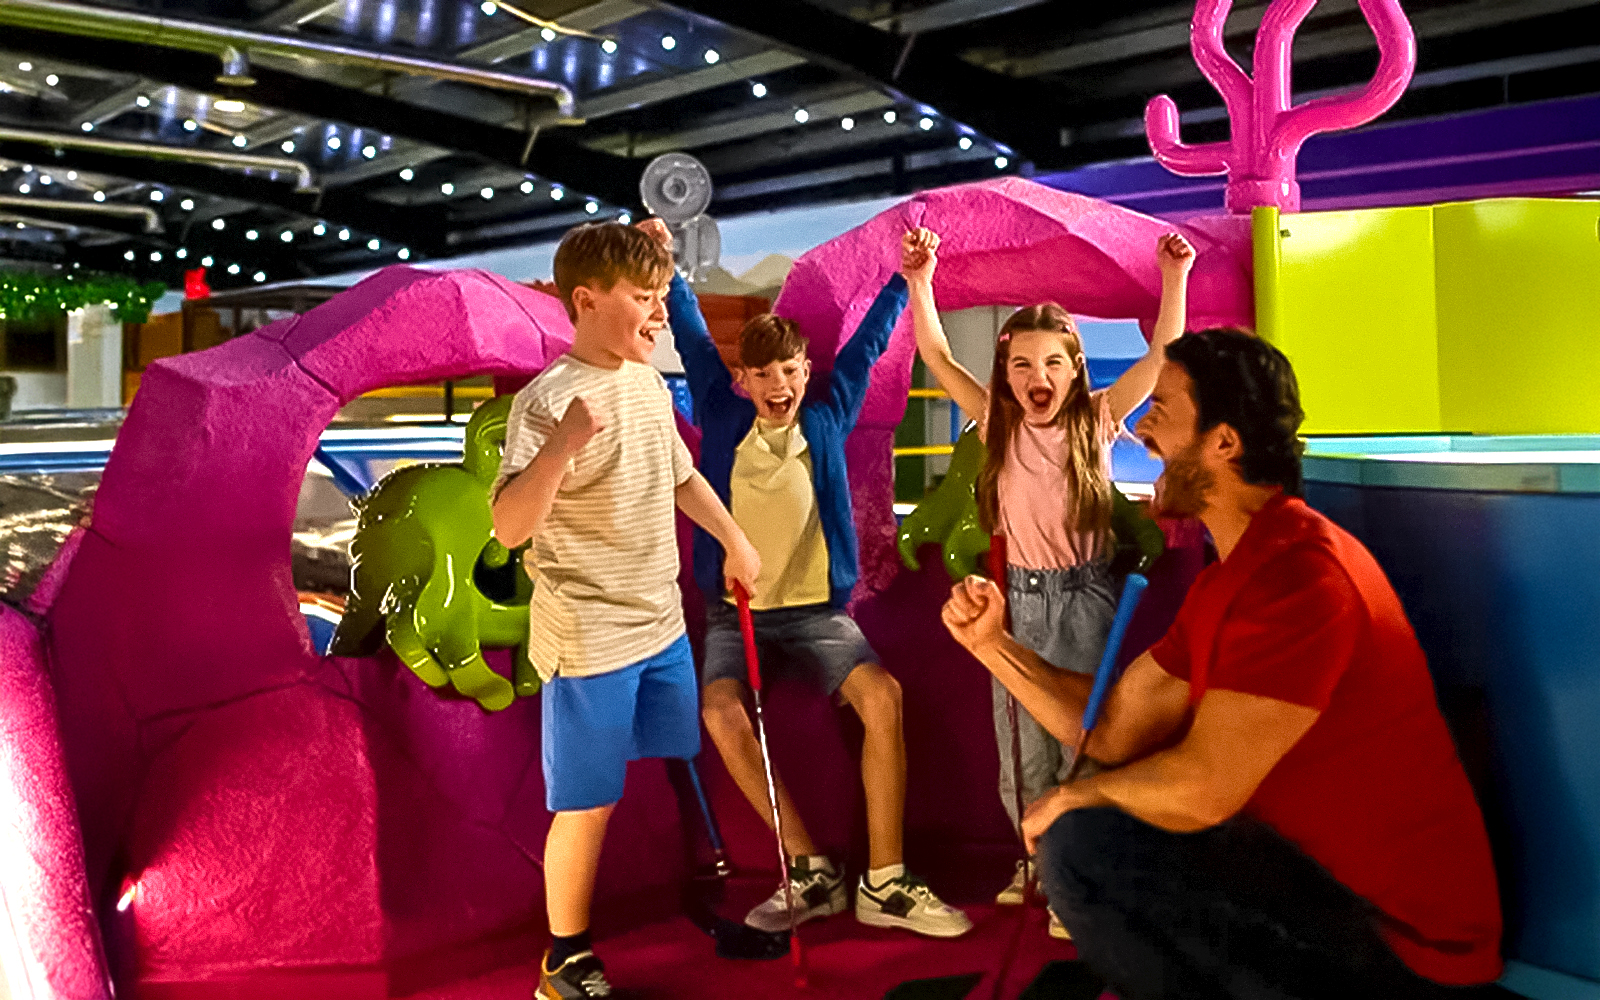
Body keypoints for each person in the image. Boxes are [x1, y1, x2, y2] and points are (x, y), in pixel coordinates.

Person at [941, 328, 1505, 999]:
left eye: (1162, 410)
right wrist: (994, 646)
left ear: (1225, 443)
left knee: (1082, 845)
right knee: (1086, 835)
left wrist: (1076, 795)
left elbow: (1206, 786)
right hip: (1310, 886)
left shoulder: (1302, 577)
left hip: (1402, 944)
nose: (1142, 429)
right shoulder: (1230, 577)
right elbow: (1113, 728)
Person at [640, 218, 971, 940]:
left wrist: (905, 278)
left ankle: (885, 879)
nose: (779, 385)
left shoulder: (825, 417)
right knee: (719, 713)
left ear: (804, 370)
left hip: (820, 614)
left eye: (789, 371)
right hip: (736, 613)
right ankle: (808, 867)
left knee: (882, 697)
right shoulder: (723, 412)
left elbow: (869, 345)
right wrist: (666, 263)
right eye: (763, 375)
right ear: (743, 381)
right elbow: (691, 336)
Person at [490, 222, 762, 1000]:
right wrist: (563, 445)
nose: (659, 311)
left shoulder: (644, 383)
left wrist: (734, 538)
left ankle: (700, 896)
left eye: (660, 295)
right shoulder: (546, 402)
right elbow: (509, 527)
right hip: (591, 638)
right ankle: (564, 960)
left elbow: (680, 477)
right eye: (644, 297)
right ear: (587, 301)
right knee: (588, 801)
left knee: (675, 760)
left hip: (659, 623)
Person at [900, 226, 1195, 932]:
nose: (1039, 377)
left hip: (1084, 600)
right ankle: (1035, 862)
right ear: (1006, 376)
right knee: (1021, 753)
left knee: (1082, 747)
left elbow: (1162, 354)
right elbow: (937, 354)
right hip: (1018, 604)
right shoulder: (996, 424)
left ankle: (1080, 878)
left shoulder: (1097, 420)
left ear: (1074, 370)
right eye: (1023, 364)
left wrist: (1173, 277)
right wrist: (920, 280)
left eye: (1054, 363)